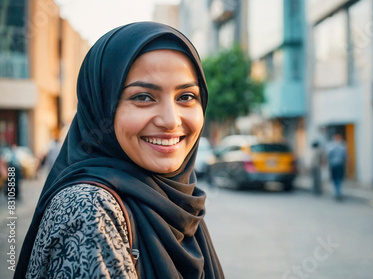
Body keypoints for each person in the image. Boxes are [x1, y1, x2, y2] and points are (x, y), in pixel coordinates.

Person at [15, 22, 224, 278]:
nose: (171, 120)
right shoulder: (89, 210)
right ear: (102, 106)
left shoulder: (181, 205)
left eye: (186, 97)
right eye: (143, 97)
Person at [326, 133, 347, 200]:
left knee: (336, 179)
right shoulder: (342, 146)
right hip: (338, 165)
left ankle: (337, 193)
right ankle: (338, 193)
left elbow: (328, 155)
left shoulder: (332, 146)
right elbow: (345, 156)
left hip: (335, 165)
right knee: (337, 179)